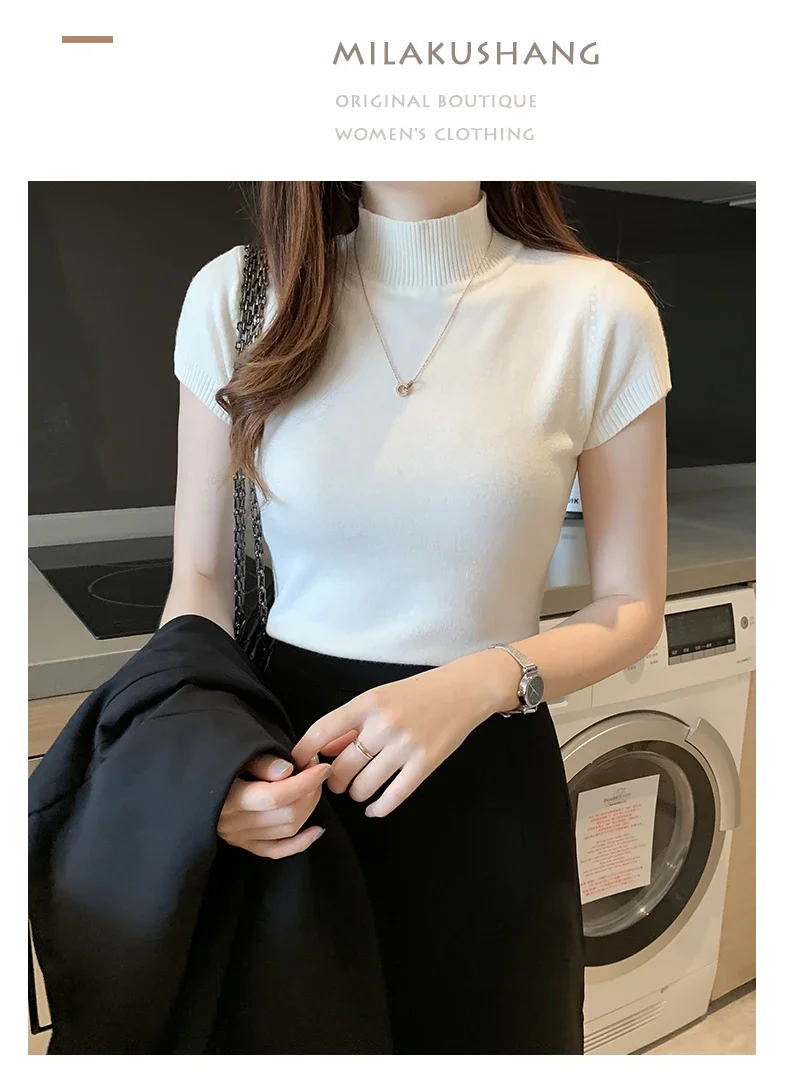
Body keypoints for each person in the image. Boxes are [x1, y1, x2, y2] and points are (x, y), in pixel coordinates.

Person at [162, 181, 671, 1054]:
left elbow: (632, 606)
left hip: (490, 787)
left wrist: (479, 683)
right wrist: (210, 772)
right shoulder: (239, 298)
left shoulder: (598, 311)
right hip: (288, 782)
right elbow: (200, 581)